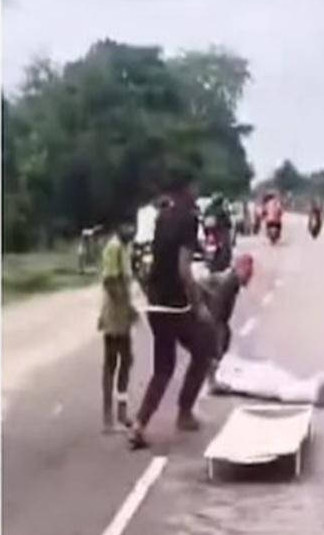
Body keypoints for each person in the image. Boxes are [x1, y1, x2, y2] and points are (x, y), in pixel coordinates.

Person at [127, 173, 219, 450]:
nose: (197, 190)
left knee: (163, 367)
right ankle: (184, 413)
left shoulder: (162, 216)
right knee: (204, 349)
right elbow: (183, 269)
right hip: (176, 304)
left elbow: (153, 260)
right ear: (187, 189)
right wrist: (199, 305)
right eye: (195, 186)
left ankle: (140, 424)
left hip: (155, 301)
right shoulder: (188, 219)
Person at [97, 221, 138, 432]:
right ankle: (108, 417)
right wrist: (127, 306)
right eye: (129, 227)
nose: (132, 231)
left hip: (122, 316)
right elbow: (110, 282)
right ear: (120, 228)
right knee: (112, 364)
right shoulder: (113, 247)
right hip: (114, 316)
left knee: (126, 361)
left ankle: (121, 412)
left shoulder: (124, 247)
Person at [197, 253, 254, 359]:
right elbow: (217, 312)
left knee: (224, 336)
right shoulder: (229, 283)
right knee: (220, 337)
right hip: (202, 307)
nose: (250, 277)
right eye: (248, 273)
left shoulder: (233, 282)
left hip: (208, 308)